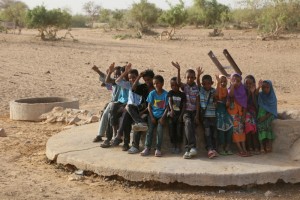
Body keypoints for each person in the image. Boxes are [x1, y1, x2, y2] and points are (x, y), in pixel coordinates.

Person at [171, 61, 200, 159]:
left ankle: (188, 150)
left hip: (194, 112)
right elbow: (178, 83)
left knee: (190, 126)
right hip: (186, 111)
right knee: (187, 123)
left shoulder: (197, 88)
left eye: (192, 77)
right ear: (186, 78)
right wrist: (178, 70)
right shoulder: (185, 87)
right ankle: (192, 147)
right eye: (188, 77)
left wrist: (197, 115)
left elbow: (197, 102)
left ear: (194, 78)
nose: (190, 79)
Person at [111, 63, 142, 151]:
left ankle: (119, 136)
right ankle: (124, 142)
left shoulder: (141, 86)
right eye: (130, 78)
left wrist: (139, 77)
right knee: (124, 117)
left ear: (137, 77)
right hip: (129, 108)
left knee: (125, 114)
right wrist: (126, 72)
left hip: (136, 109)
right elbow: (117, 81)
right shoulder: (129, 85)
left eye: (134, 77)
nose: (132, 79)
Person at [92, 63, 123, 143]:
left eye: (118, 75)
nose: (116, 77)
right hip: (113, 103)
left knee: (108, 114)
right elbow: (106, 79)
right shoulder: (114, 83)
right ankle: (101, 134)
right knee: (105, 113)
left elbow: (107, 80)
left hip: (118, 104)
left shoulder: (121, 83)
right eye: (115, 75)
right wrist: (98, 71)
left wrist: (105, 72)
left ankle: (108, 136)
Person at [100, 63, 129, 148]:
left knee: (121, 114)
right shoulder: (121, 82)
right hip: (120, 103)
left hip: (127, 104)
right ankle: (111, 137)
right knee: (110, 111)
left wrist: (125, 72)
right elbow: (108, 81)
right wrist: (109, 72)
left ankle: (118, 138)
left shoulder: (130, 82)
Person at [128, 69, 155, 154]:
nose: (147, 81)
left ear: (153, 78)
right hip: (142, 110)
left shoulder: (156, 88)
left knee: (139, 124)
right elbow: (133, 88)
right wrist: (139, 76)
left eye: (149, 80)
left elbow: (151, 106)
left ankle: (136, 146)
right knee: (129, 106)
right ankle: (135, 146)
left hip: (150, 112)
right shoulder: (144, 87)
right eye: (145, 80)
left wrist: (142, 113)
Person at [140, 75, 168, 157]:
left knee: (160, 130)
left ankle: (158, 148)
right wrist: (151, 117)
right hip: (152, 115)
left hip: (161, 116)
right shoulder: (152, 93)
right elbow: (149, 106)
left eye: (158, 83)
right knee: (150, 130)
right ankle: (147, 147)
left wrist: (163, 118)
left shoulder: (166, 94)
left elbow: (167, 107)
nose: (156, 85)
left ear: (162, 83)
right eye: (154, 84)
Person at [197, 71, 218, 159]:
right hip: (205, 116)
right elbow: (197, 84)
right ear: (202, 84)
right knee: (207, 133)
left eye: (209, 83)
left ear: (212, 83)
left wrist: (218, 81)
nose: (207, 85)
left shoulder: (213, 91)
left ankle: (214, 149)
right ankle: (209, 149)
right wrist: (198, 75)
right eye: (204, 84)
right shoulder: (201, 90)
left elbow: (217, 94)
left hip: (213, 116)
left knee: (213, 133)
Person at [227, 73, 249, 157]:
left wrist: (243, 115)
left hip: (240, 115)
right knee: (235, 132)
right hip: (233, 115)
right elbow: (231, 95)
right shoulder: (230, 89)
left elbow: (245, 104)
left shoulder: (242, 91)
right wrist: (232, 85)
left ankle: (244, 149)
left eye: (238, 81)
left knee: (242, 132)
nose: (237, 82)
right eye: (234, 80)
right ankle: (240, 149)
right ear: (231, 81)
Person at [215, 75, 233, 156]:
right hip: (219, 112)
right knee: (221, 129)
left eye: (225, 81)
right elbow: (216, 96)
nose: (223, 83)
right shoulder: (217, 90)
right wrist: (218, 83)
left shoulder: (226, 91)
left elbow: (227, 102)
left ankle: (228, 146)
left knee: (230, 127)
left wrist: (227, 103)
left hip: (225, 112)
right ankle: (221, 146)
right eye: (221, 81)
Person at [257, 80, 277, 153]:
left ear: (270, 87)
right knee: (259, 124)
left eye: (267, 87)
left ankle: (269, 144)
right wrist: (258, 87)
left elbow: (273, 110)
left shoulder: (272, 97)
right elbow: (255, 95)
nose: (265, 89)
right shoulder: (261, 95)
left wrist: (265, 117)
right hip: (262, 115)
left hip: (270, 115)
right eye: (263, 87)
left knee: (268, 124)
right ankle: (262, 145)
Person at [167, 77, 186, 154]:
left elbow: (184, 106)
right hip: (172, 115)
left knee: (179, 131)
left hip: (179, 116)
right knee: (171, 130)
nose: (174, 87)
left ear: (179, 85)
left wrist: (181, 116)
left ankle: (178, 146)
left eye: (176, 85)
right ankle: (173, 145)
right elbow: (169, 101)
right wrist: (171, 110)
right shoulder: (170, 93)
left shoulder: (182, 94)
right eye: (172, 85)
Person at [244, 75, 260, 155]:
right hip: (246, 113)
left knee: (254, 130)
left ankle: (256, 147)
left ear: (254, 84)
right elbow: (245, 104)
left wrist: (253, 93)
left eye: (250, 83)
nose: (248, 85)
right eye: (246, 83)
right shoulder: (243, 92)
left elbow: (256, 105)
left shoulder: (256, 93)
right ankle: (249, 147)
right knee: (248, 130)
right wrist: (249, 94)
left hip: (253, 114)